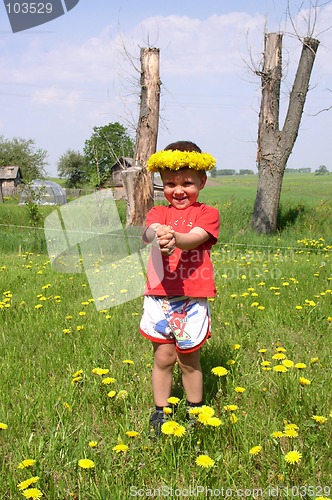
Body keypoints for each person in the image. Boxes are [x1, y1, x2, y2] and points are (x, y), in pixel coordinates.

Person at [139, 140, 220, 435]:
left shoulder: (207, 213)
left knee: (188, 359)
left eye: (187, 182)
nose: (179, 190)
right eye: (171, 183)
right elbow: (147, 233)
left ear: (202, 181)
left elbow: (196, 237)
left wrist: (175, 237)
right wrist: (157, 233)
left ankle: (195, 410)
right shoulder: (158, 213)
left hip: (191, 298)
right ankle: (161, 411)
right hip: (158, 296)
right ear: (162, 184)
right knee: (163, 356)